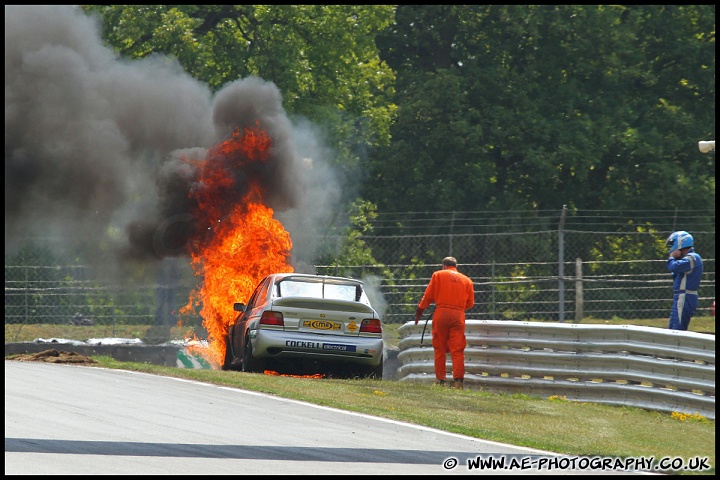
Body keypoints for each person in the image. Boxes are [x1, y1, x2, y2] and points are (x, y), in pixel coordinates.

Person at [414, 257, 475, 390]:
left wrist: (420, 310)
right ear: (455, 266)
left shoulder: (438, 275)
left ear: (443, 266)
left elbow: (428, 296)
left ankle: (441, 380)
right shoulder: (467, 280)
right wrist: (456, 307)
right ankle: (458, 381)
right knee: (457, 349)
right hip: (459, 315)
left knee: (439, 348)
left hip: (441, 314)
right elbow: (470, 303)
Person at [665, 231, 703, 331]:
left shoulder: (692, 257)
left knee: (678, 329)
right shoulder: (687, 259)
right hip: (680, 296)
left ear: (681, 243)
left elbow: (673, 266)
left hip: (685, 296)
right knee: (672, 327)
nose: (671, 247)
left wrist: (672, 257)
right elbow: (675, 275)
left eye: (672, 244)